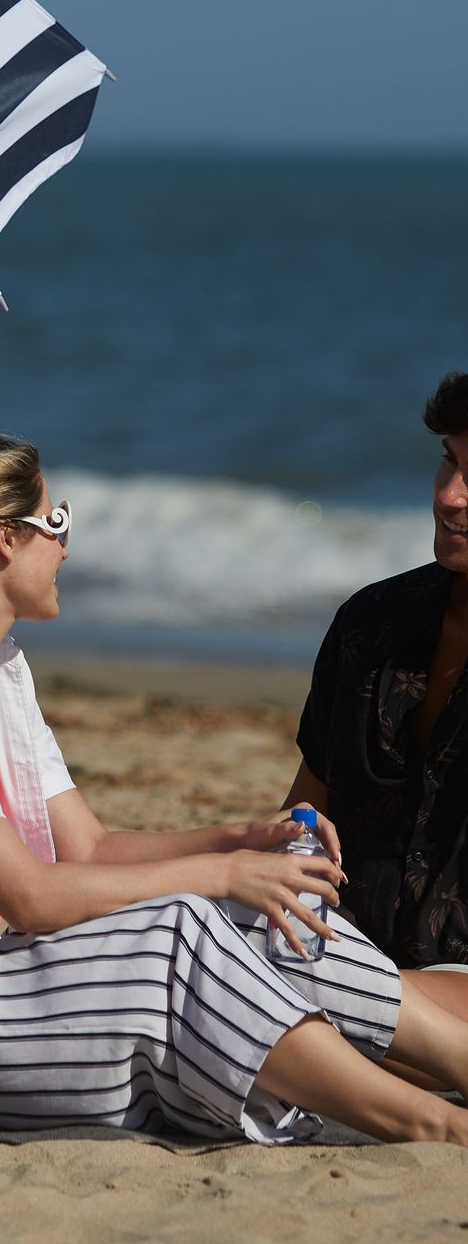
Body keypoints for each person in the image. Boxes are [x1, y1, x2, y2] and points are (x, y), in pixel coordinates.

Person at [0, 430, 468, 1144]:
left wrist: (245, 841)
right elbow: (32, 896)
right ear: (5, 540)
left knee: (269, 906)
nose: (67, 546)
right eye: (57, 522)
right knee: (180, 930)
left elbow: (92, 848)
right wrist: (222, 873)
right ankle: (432, 1122)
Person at [283, 372, 468, 1002]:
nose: (450, 496)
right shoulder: (372, 622)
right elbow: (303, 818)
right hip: (340, 957)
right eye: (448, 462)